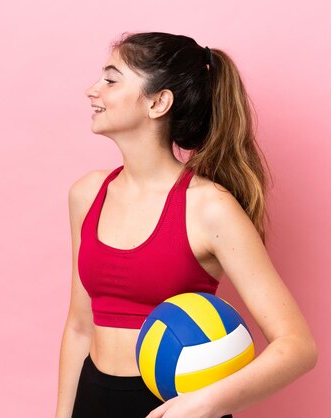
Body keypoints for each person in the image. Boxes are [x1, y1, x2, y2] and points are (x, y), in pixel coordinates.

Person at [55, 31, 317, 418]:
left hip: (178, 408)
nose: (93, 91)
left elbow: (297, 345)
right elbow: (79, 326)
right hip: (93, 398)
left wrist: (208, 403)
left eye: (111, 80)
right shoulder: (87, 193)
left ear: (158, 102)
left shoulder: (210, 208)